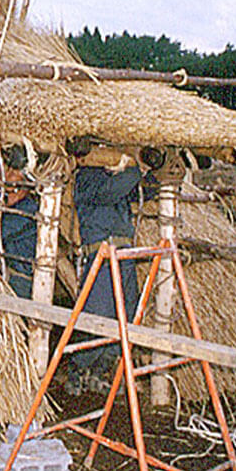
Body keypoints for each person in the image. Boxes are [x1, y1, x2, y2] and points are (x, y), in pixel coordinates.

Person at [64, 137, 144, 396]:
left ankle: (100, 369)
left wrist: (154, 174)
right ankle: (77, 369)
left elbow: (143, 190)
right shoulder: (86, 177)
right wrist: (135, 167)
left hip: (124, 255)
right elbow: (111, 191)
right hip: (101, 254)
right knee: (97, 313)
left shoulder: (117, 178)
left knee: (126, 313)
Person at [0, 155, 38, 299]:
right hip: (7, 276)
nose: (9, 193)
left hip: (20, 283)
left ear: (26, 186)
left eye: (15, 188)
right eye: (9, 171)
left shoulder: (28, 211)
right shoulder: (12, 207)